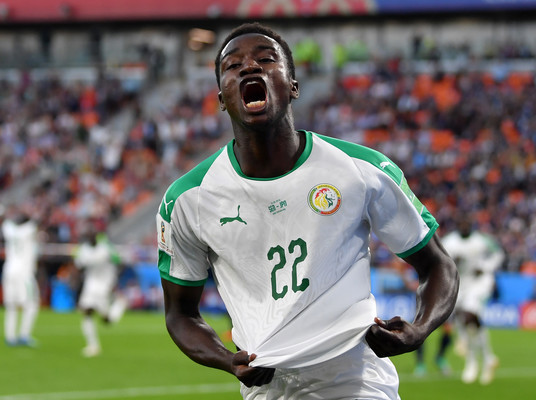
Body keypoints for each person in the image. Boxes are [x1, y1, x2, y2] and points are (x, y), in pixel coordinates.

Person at [157, 22, 459, 399]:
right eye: (233, 66)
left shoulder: (362, 169)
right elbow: (180, 314)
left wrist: (420, 328)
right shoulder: (187, 199)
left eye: (266, 59)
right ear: (221, 97)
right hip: (267, 387)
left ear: (293, 86)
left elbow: (437, 264)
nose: (250, 67)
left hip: (357, 379)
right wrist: (225, 359)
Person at [441, 216, 504, 385]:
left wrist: (485, 267)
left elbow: (498, 253)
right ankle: (481, 360)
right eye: (461, 224)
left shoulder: (482, 240)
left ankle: (467, 349)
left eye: (467, 224)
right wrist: (453, 263)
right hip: (461, 283)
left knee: (469, 314)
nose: (464, 227)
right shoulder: (449, 242)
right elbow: (440, 260)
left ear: (471, 226)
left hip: (480, 282)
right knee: (468, 323)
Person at [72, 225, 126, 357]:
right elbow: (79, 266)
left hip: (104, 284)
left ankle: (119, 306)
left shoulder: (106, 248)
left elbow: (120, 263)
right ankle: (93, 346)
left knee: (106, 321)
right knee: (86, 310)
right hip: (90, 284)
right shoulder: (83, 250)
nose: (90, 236)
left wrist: (114, 281)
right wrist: (75, 282)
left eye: (92, 234)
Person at [1, 206, 40, 347]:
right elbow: (35, 220)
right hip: (24, 273)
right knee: (32, 304)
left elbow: (5, 221)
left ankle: (10, 337)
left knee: (11, 306)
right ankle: (24, 335)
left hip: (9, 271)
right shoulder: (29, 230)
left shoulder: (9, 230)